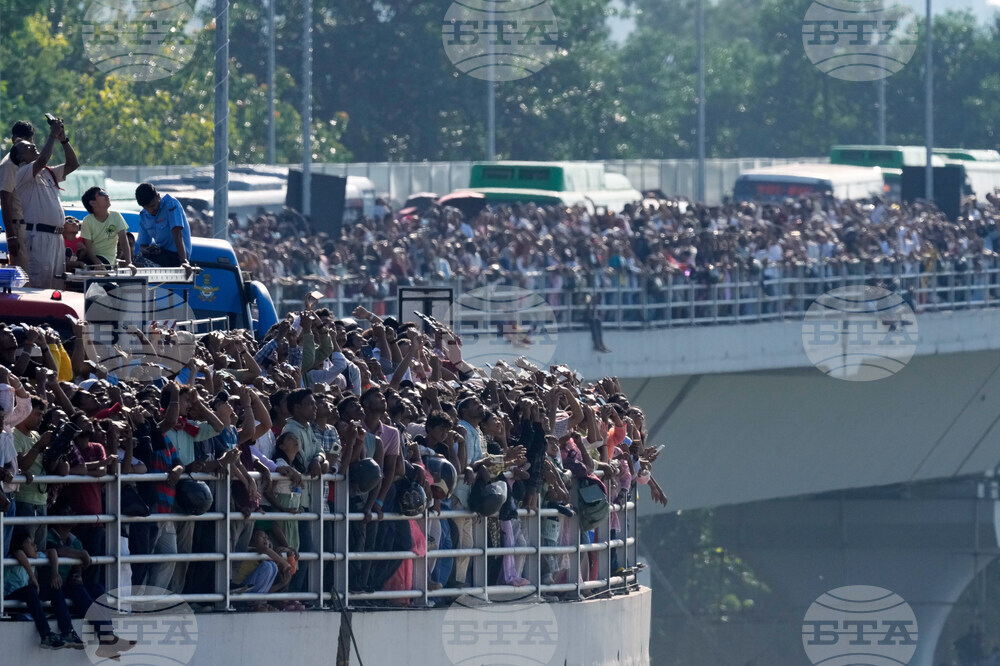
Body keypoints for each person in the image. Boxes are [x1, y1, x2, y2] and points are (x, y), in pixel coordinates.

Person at [12, 117, 78, 288]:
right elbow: (43, 159)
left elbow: (73, 164)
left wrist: (63, 139)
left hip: (57, 237)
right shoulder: (22, 172)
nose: (32, 146)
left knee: (57, 286)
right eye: (25, 147)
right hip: (39, 236)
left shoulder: (47, 172)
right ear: (20, 157)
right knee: (40, 286)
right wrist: (52, 135)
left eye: (30, 144)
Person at [0, 120, 35, 270]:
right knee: (24, 276)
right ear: (14, 139)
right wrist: (11, 236)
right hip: (18, 228)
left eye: (29, 140)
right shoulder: (9, 165)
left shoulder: (29, 163)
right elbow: (5, 200)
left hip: (32, 227)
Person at [134, 183, 192, 270]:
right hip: (161, 254)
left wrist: (183, 261)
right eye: (146, 208)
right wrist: (148, 250)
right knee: (134, 259)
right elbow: (143, 245)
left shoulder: (171, 204)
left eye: (153, 205)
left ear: (158, 196)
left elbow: (178, 234)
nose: (151, 210)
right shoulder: (144, 215)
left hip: (176, 255)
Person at [79, 187, 133, 269]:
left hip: (107, 261)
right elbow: (89, 250)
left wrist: (129, 262)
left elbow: (123, 241)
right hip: (93, 260)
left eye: (105, 193)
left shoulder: (116, 216)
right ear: (93, 203)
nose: (107, 195)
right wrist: (99, 264)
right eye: (101, 194)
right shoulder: (87, 221)